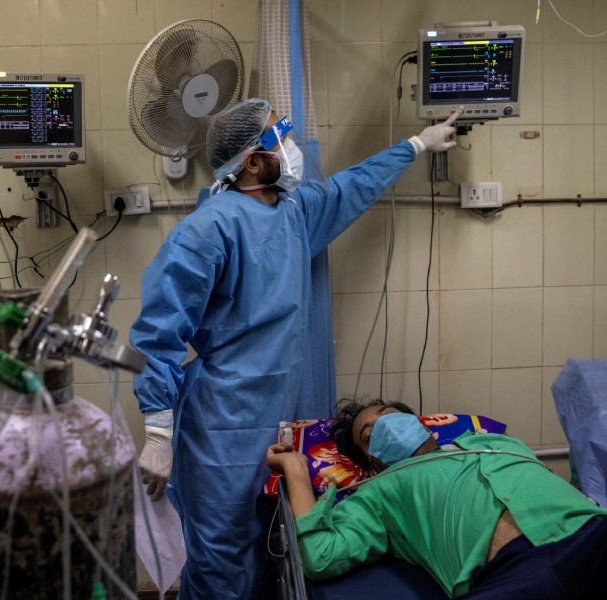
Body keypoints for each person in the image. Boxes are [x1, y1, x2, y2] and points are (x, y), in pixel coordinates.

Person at [130, 96, 462, 598]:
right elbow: (159, 329)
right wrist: (157, 429)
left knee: (265, 547)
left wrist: (415, 145)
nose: (291, 145)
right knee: (222, 560)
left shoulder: (293, 212)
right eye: (279, 136)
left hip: (271, 415)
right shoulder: (208, 230)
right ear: (253, 160)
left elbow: (351, 187)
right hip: (222, 425)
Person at [266, 399, 607, 599]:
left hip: (588, 533)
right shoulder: (378, 490)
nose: (385, 423)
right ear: (372, 460)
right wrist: (295, 468)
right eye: (369, 432)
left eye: (388, 413)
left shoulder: (495, 442)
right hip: (515, 574)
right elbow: (320, 556)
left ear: (422, 424)